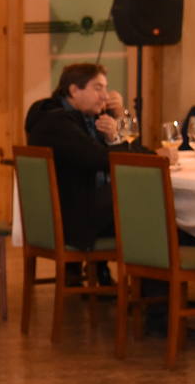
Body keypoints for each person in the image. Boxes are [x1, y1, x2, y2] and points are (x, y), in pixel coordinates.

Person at [23, 63, 124, 256]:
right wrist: (116, 139)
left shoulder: (86, 116)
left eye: (105, 88)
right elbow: (101, 159)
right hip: (74, 220)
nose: (106, 96)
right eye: (98, 88)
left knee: (135, 200)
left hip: (69, 211)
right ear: (74, 90)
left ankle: (105, 270)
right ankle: (150, 272)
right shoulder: (57, 122)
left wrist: (118, 115)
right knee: (145, 204)